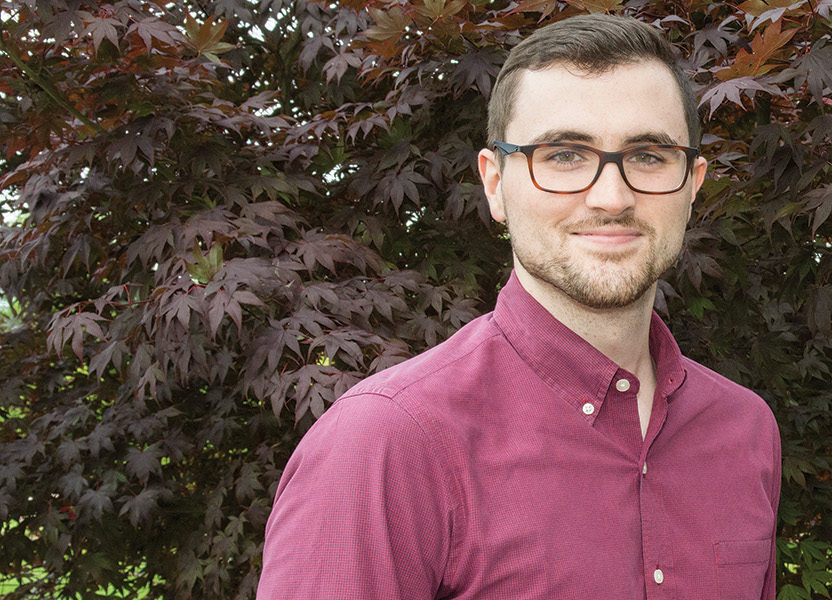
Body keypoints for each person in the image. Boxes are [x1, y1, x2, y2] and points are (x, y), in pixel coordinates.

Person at [258, 14, 781, 599]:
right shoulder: (389, 442)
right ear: (494, 183)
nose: (612, 197)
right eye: (563, 155)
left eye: (649, 155)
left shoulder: (744, 431)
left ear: (692, 183)